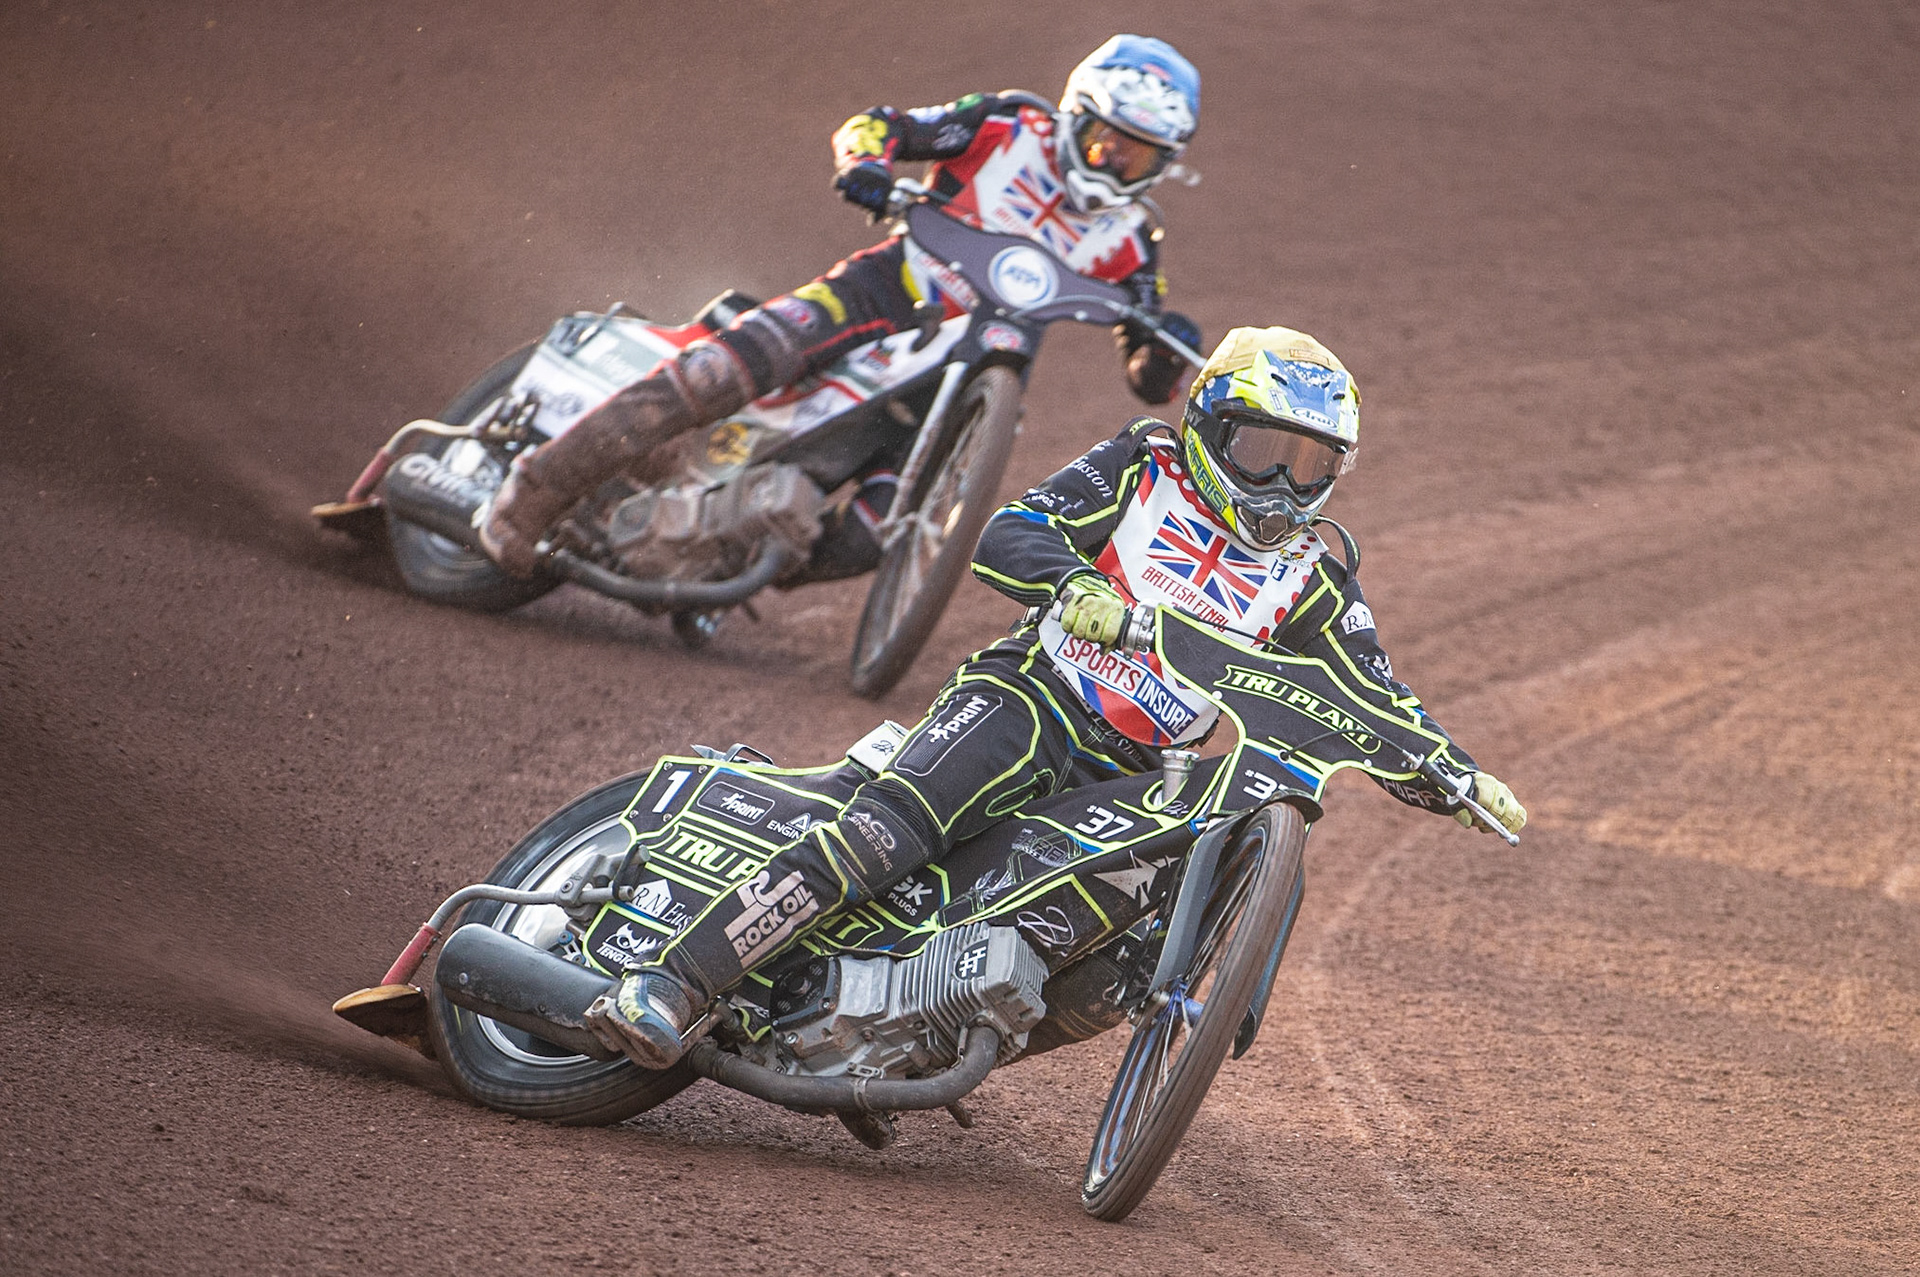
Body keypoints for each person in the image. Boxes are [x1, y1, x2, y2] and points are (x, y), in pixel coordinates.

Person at [584, 325, 1528, 1070]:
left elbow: (1375, 695)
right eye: (1262, 450)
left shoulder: (1319, 578)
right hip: (1035, 697)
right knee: (890, 832)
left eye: (1311, 465)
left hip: (1141, 769)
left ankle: (919, 1030)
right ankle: (675, 980)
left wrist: (1452, 770)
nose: (1283, 484)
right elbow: (1010, 528)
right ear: (1208, 426)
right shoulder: (1144, 466)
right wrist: (1073, 585)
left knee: (1111, 939)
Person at [479, 35, 1205, 582]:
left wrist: (1167, 341)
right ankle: (532, 492)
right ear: (1077, 116)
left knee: (867, 536)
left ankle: (719, 554)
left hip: (959, 387)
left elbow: (1147, 373)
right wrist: (865, 167)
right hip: (881, 292)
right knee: (714, 376)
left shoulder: (1135, 239)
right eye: (1107, 140)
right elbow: (880, 125)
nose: (1114, 163)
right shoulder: (1004, 126)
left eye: (1138, 157)